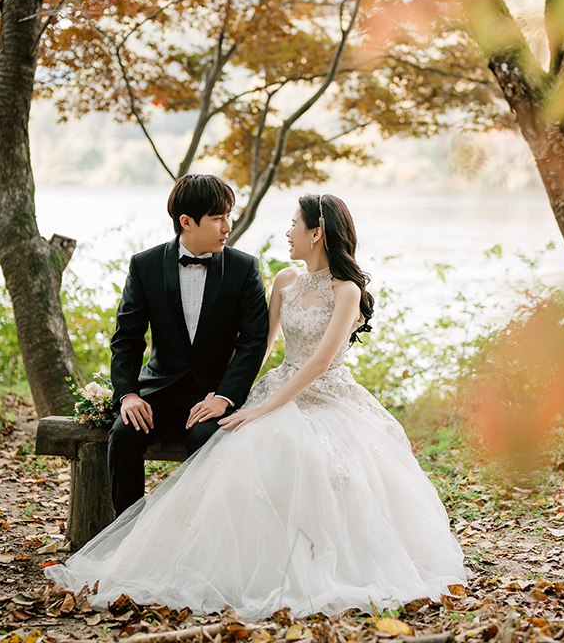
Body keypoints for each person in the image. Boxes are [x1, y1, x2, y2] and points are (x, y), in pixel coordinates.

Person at [46, 193, 466, 619]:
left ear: (316, 234)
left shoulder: (347, 290)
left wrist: (258, 407)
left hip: (327, 394)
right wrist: (235, 395)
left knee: (308, 458)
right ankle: (159, 543)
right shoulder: (284, 279)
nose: (287, 232)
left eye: (293, 225)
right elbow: (260, 347)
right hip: (274, 383)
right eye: (221, 217)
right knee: (232, 443)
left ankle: (307, 562)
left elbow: (320, 362)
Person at [106, 174, 269, 515]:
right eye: (218, 217)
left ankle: (195, 538)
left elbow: (253, 341)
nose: (228, 226)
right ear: (187, 222)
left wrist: (225, 397)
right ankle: (124, 540)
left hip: (213, 395)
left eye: (229, 215)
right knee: (123, 436)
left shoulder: (244, 268)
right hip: (159, 392)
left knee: (206, 439)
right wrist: (128, 394)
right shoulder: (145, 265)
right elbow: (127, 338)